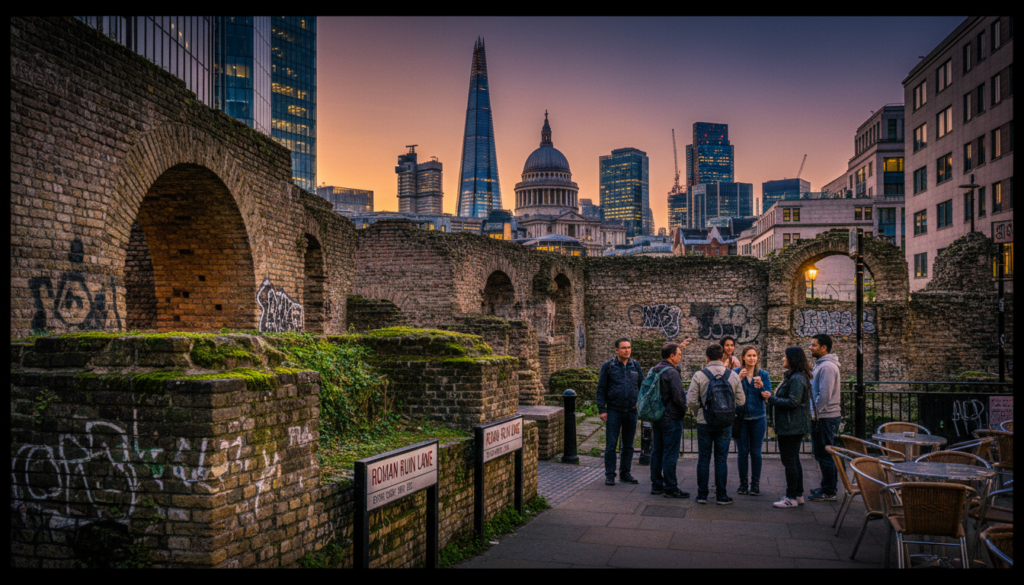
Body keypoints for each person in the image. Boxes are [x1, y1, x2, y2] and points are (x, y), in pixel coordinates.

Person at [686, 343, 745, 505]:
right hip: (725, 422)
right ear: (722, 357)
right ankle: (721, 495)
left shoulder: (699, 375)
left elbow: (690, 400)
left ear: (707, 357)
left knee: (704, 458)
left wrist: (700, 411)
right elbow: (741, 400)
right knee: (721, 459)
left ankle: (702, 495)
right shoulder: (732, 375)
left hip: (704, 422)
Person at [765, 346, 813, 509]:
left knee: (790, 461)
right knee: (793, 460)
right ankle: (797, 494)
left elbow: (793, 402)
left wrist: (770, 398)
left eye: (785, 357)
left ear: (792, 359)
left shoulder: (797, 379)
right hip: (792, 424)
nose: (782, 359)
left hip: (792, 425)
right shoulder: (795, 377)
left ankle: (791, 497)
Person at [596, 337, 643, 486]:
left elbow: (642, 387)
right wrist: (602, 410)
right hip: (614, 411)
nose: (627, 350)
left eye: (629, 347)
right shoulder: (608, 366)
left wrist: (640, 405)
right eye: (623, 348)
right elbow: (601, 389)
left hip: (631, 411)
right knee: (611, 445)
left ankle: (625, 473)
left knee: (628, 445)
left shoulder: (635, 366)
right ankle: (610, 475)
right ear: (617, 350)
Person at [650, 340, 691, 498]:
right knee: (670, 454)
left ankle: (656, 485)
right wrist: (684, 412)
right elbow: (679, 397)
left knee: (657, 451)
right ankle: (671, 487)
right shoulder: (672, 372)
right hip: (671, 418)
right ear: (672, 355)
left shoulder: (655, 369)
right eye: (679, 354)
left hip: (657, 416)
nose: (680, 357)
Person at [733, 345, 772, 496]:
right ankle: (743, 484)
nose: (752, 358)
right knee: (742, 452)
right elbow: (729, 392)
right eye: (749, 355)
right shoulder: (736, 373)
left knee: (756, 453)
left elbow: (768, 396)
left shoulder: (763, 374)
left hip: (758, 418)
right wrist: (738, 379)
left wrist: (762, 387)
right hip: (741, 419)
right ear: (743, 357)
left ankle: (755, 484)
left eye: (754, 355)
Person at [807, 334, 842, 502]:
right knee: (823, 453)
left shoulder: (827, 366)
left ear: (823, 348)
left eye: (813, 345)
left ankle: (829, 490)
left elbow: (825, 395)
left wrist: (815, 414)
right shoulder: (822, 365)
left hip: (825, 417)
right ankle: (827, 486)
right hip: (825, 416)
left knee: (825, 454)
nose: (810, 348)